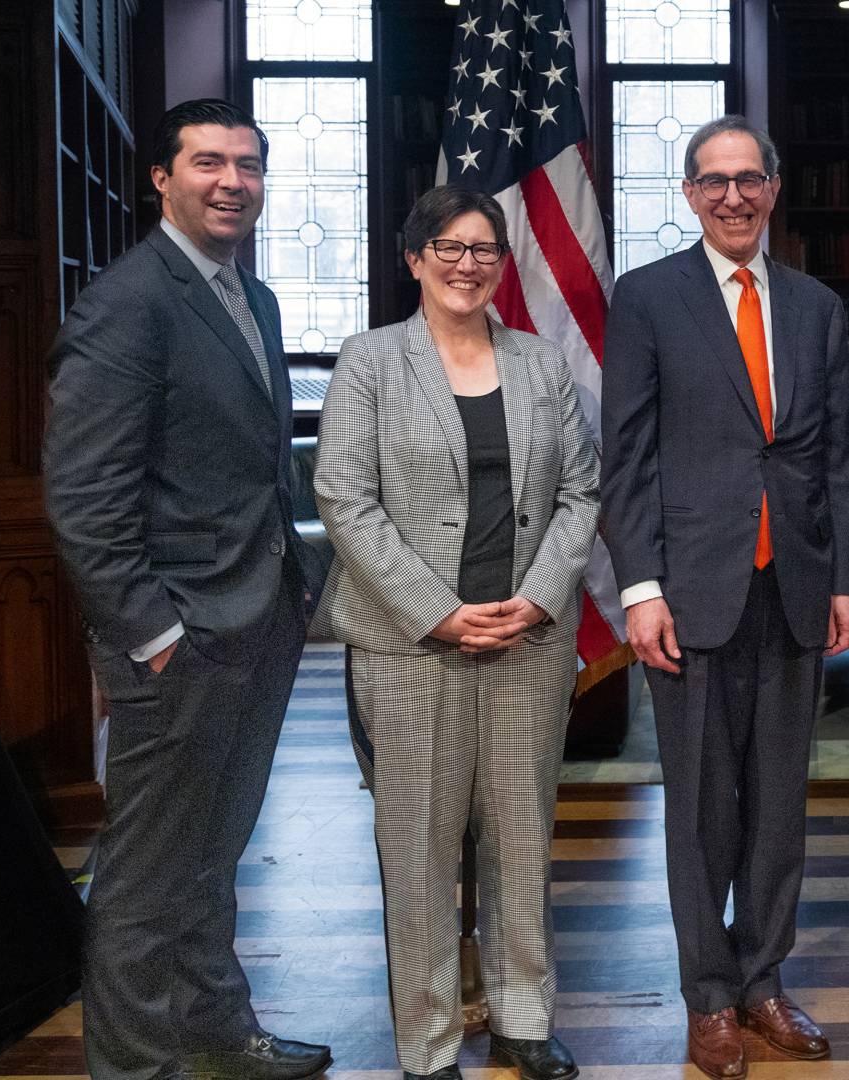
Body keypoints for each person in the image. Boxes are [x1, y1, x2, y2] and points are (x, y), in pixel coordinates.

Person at [44, 99, 330, 1080]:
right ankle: (135, 1068)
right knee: (145, 875)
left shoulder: (252, 297)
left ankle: (217, 1032)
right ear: (161, 179)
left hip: (258, 619)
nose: (232, 182)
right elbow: (84, 496)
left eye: (248, 165)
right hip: (179, 640)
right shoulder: (127, 303)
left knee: (215, 850)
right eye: (208, 162)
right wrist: (153, 634)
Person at [312, 186, 599, 1080]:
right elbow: (343, 497)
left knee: (521, 836)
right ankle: (429, 1044)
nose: (467, 264)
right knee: (420, 849)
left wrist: (541, 597)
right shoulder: (370, 361)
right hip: (411, 645)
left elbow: (580, 492)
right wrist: (434, 609)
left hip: (526, 641)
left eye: (484, 250)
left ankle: (522, 1019)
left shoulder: (541, 363)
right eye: (449, 247)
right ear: (415, 258)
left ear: (503, 264)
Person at [600, 115, 849, 1080]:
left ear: (774, 188)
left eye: (750, 179)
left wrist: (844, 578)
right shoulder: (648, 298)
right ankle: (707, 995)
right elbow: (625, 455)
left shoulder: (816, 307)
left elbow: (838, 454)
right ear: (689, 194)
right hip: (689, 592)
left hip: (793, 587)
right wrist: (639, 586)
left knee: (779, 806)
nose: (734, 197)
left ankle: (762, 980)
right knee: (703, 808)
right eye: (714, 181)